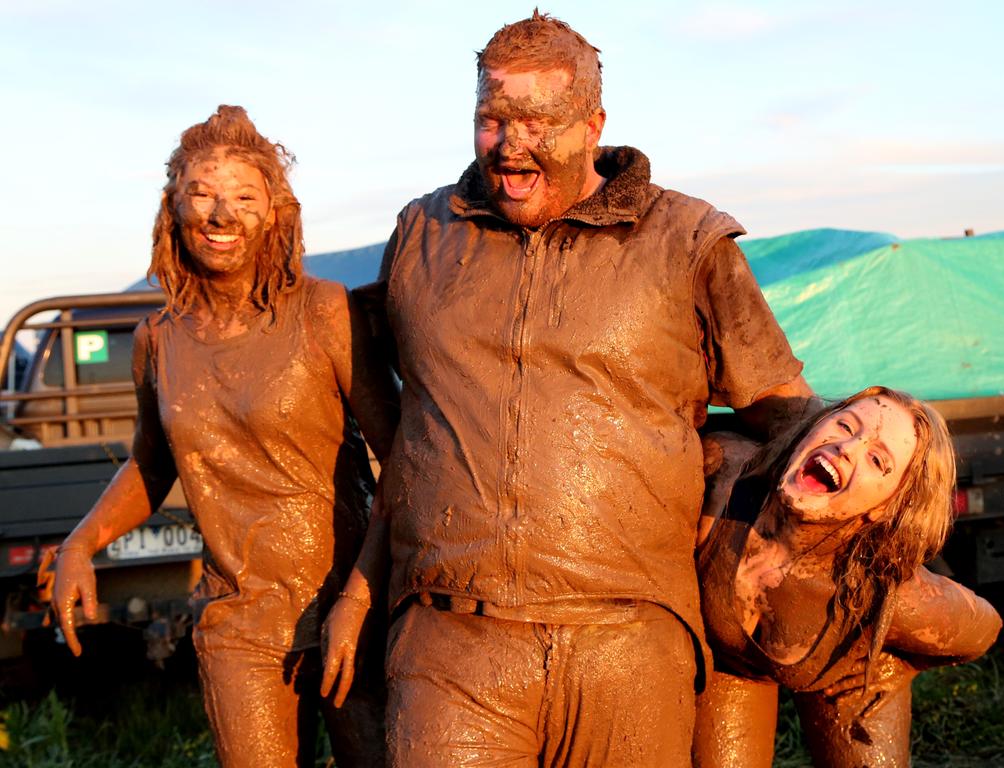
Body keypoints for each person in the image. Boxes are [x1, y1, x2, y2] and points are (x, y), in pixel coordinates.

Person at [321, 11, 814, 766]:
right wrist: (356, 593)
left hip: (629, 641)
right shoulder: (423, 236)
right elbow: (402, 421)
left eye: (537, 121)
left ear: (593, 124)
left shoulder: (685, 241)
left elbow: (786, 415)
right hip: (453, 641)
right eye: (492, 119)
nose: (511, 146)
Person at [49, 106, 398, 768]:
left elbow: (407, 456)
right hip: (239, 622)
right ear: (172, 208)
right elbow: (153, 465)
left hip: (353, 606)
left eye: (243, 197)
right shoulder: (158, 339)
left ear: (276, 213)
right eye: (202, 194)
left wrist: (360, 596)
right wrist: (80, 542)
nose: (220, 215)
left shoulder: (323, 312)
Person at [693, 386, 1002, 767]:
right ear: (812, 428)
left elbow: (984, 627)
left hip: (848, 665)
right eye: (843, 425)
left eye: (877, 460)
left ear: (887, 507)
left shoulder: (887, 594)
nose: (847, 447)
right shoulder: (725, 479)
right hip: (732, 657)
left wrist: (901, 667)